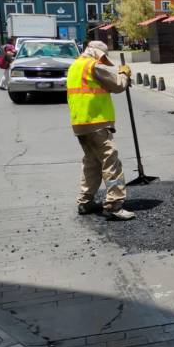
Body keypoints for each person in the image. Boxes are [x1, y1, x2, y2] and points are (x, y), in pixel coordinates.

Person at [67, 41, 135, 220]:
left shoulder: (74, 66)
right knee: (111, 161)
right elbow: (118, 85)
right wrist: (124, 73)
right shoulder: (92, 66)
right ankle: (114, 204)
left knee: (92, 163)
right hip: (96, 123)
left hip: (80, 124)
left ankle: (85, 202)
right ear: (95, 52)